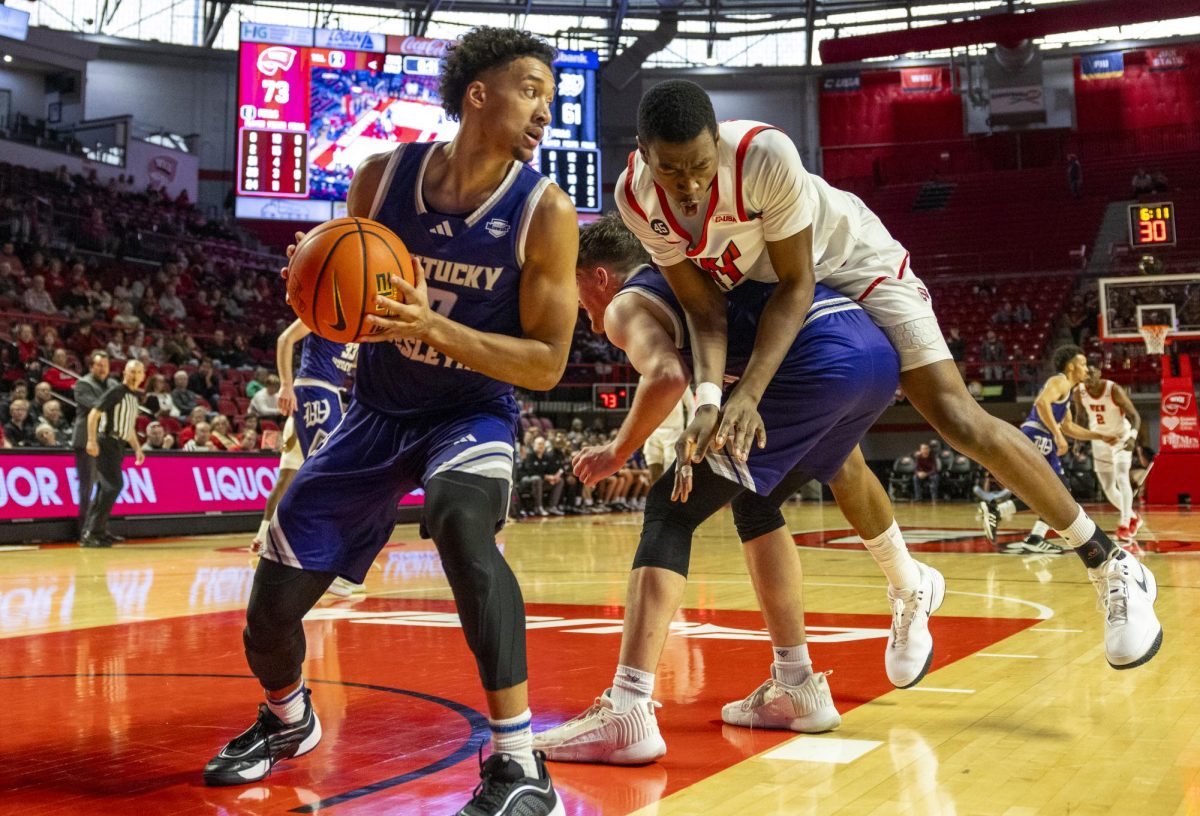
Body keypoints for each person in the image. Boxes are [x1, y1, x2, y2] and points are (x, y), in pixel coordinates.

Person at [613, 79, 1159, 671]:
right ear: (643, 155)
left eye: (699, 165)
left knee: (955, 416)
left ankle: (1110, 562)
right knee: (835, 451)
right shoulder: (635, 199)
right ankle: (908, 585)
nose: (689, 184)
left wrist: (749, 392)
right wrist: (711, 398)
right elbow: (702, 309)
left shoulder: (762, 155)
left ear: (716, 141)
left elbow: (798, 285)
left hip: (851, 265)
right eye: (672, 171)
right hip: (769, 291)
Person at [203, 27, 578, 816]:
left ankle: (517, 759)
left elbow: (546, 363)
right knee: (269, 612)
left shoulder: (544, 212)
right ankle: (286, 719)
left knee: (461, 526)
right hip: (375, 411)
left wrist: (436, 329)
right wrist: (316, 280)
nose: (547, 107)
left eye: (550, 94)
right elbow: (345, 305)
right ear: (479, 94)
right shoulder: (380, 179)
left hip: (469, 412)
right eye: (533, 89)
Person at [537, 213, 940, 765]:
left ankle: (627, 710)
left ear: (600, 276)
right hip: (870, 351)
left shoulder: (627, 302)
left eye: (578, 289)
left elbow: (666, 377)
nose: (581, 309)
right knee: (757, 500)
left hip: (817, 356)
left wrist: (617, 452)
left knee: (668, 509)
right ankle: (797, 686)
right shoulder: (687, 269)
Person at [250, 318, 359, 599]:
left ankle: (287, 547)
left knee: (310, 476)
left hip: (329, 394)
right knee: (327, 479)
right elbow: (285, 339)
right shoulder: (325, 310)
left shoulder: (360, 325)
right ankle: (318, 563)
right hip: (314, 389)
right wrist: (286, 385)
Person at [985, 347, 1122, 555]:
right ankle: (1012, 519)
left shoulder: (1067, 392)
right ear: (1070, 367)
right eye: (1083, 364)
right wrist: (1057, 435)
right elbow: (1041, 403)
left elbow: (1069, 427)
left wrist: (1100, 436)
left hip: (1044, 438)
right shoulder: (1060, 381)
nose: (1086, 368)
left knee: (1055, 492)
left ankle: (1028, 532)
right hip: (1037, 434)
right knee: (1058, 492)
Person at [81, 359, 146, 547]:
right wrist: (92, 440)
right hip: (107, 441)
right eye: (132, 371)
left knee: (105, 488)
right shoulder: (116, 392)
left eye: (139, 372)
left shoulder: (134, 397)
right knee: (113, 486)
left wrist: (137, 448)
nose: (135, 375)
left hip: (119, 444)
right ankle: (92, 532)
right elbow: (94, 414)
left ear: (143, 376)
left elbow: (129, 426)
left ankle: (97, 532)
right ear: (125, 373)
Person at [1074, 364, 1142, 544]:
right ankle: (1134, 517)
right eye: (1086, 374)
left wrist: (1133, 438)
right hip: (1099, 440)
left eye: (1092, 373)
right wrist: (1078, 441)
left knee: (1121, 477)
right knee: (1108, 487)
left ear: (1099, 374)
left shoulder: (1113, 389)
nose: (1088, 377)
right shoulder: (1078, 392)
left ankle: (1125, 524)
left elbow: (1135, 416)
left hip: (1120, 438)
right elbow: (1080, 417)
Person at [72, 351, 117, 540]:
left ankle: (99, 530)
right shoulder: (83, 384)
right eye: (99, 365)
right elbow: (96, 406)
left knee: (105, 488)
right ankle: (84, 530)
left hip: (106, 441)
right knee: (88, 486)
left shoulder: (113, 384)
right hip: (87, 440)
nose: (102, 369)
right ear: (91, 366)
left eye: (105, 366)